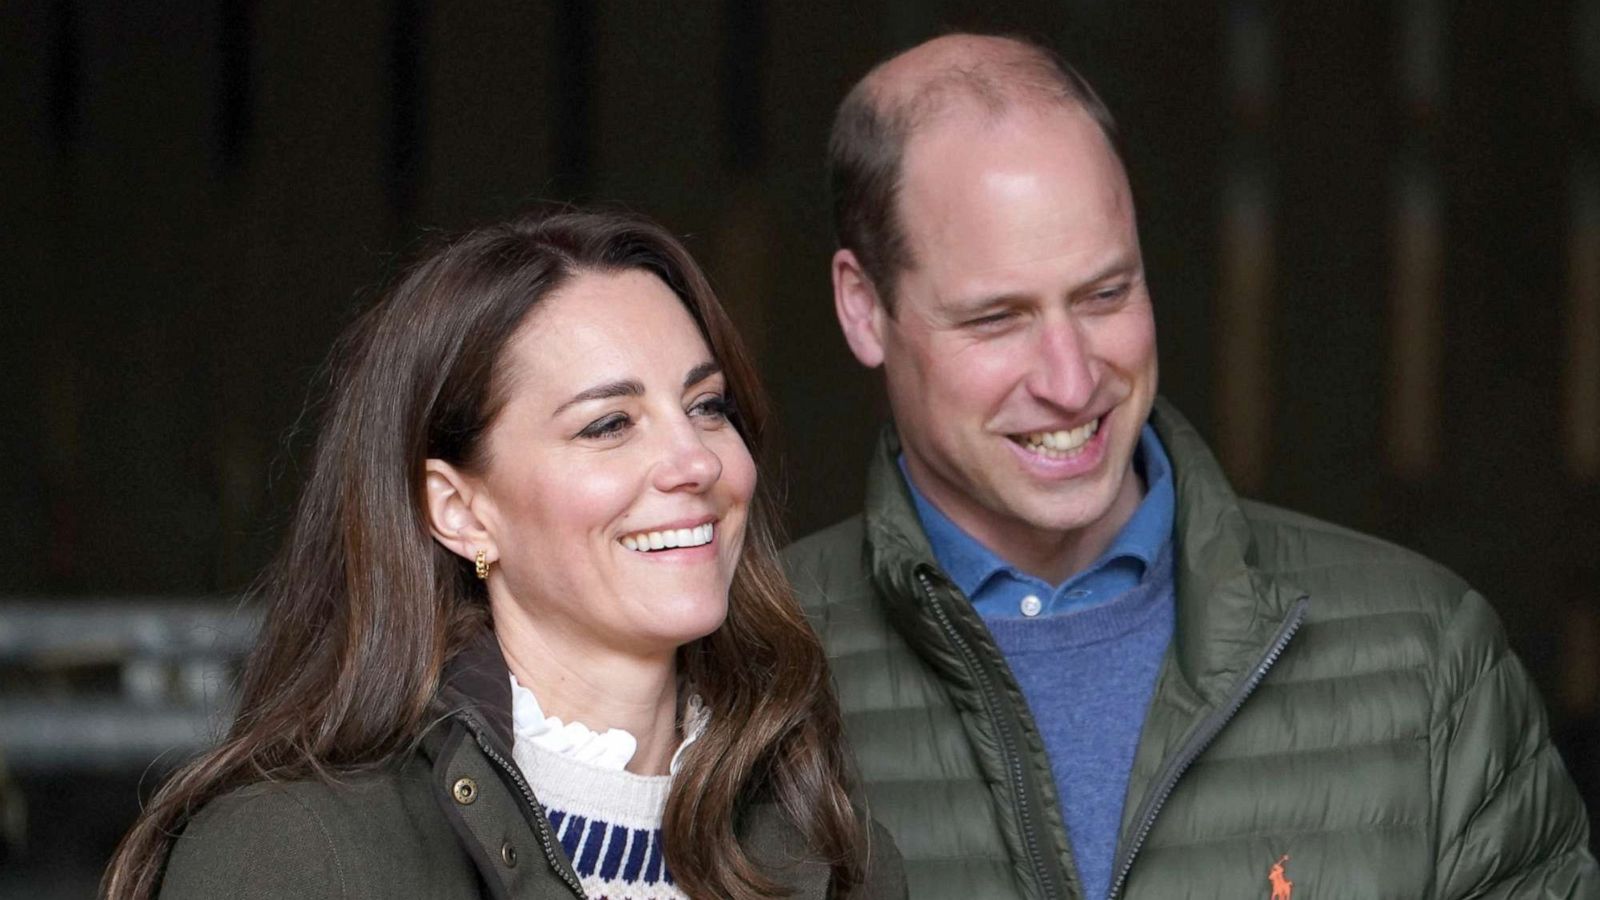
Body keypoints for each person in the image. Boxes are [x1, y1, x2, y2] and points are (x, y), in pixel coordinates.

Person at [784, 32, 1598, 900]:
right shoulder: (748, 675)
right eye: (997, 319)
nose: (1071, 380)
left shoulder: (1429, 658)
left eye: (1106, 295)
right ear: (864, 309)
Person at [103, 209, 903, 899]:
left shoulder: (832, 847)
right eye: (608, 424)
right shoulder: (290, 853)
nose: (694, 460)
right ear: (459, 511)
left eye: (707, 406)